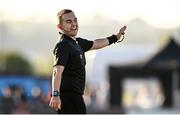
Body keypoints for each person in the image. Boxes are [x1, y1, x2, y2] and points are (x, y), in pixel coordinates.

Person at [49, 9, 127, 114]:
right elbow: (57, 71)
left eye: (75, 20)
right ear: (60, 26)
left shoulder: (77, 43)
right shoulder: (63, 45)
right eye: (68, 22)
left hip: (76, 97)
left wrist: (115, 38)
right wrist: (55, 95)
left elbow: (96, 44)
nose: (73, 24)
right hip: (67, 97)